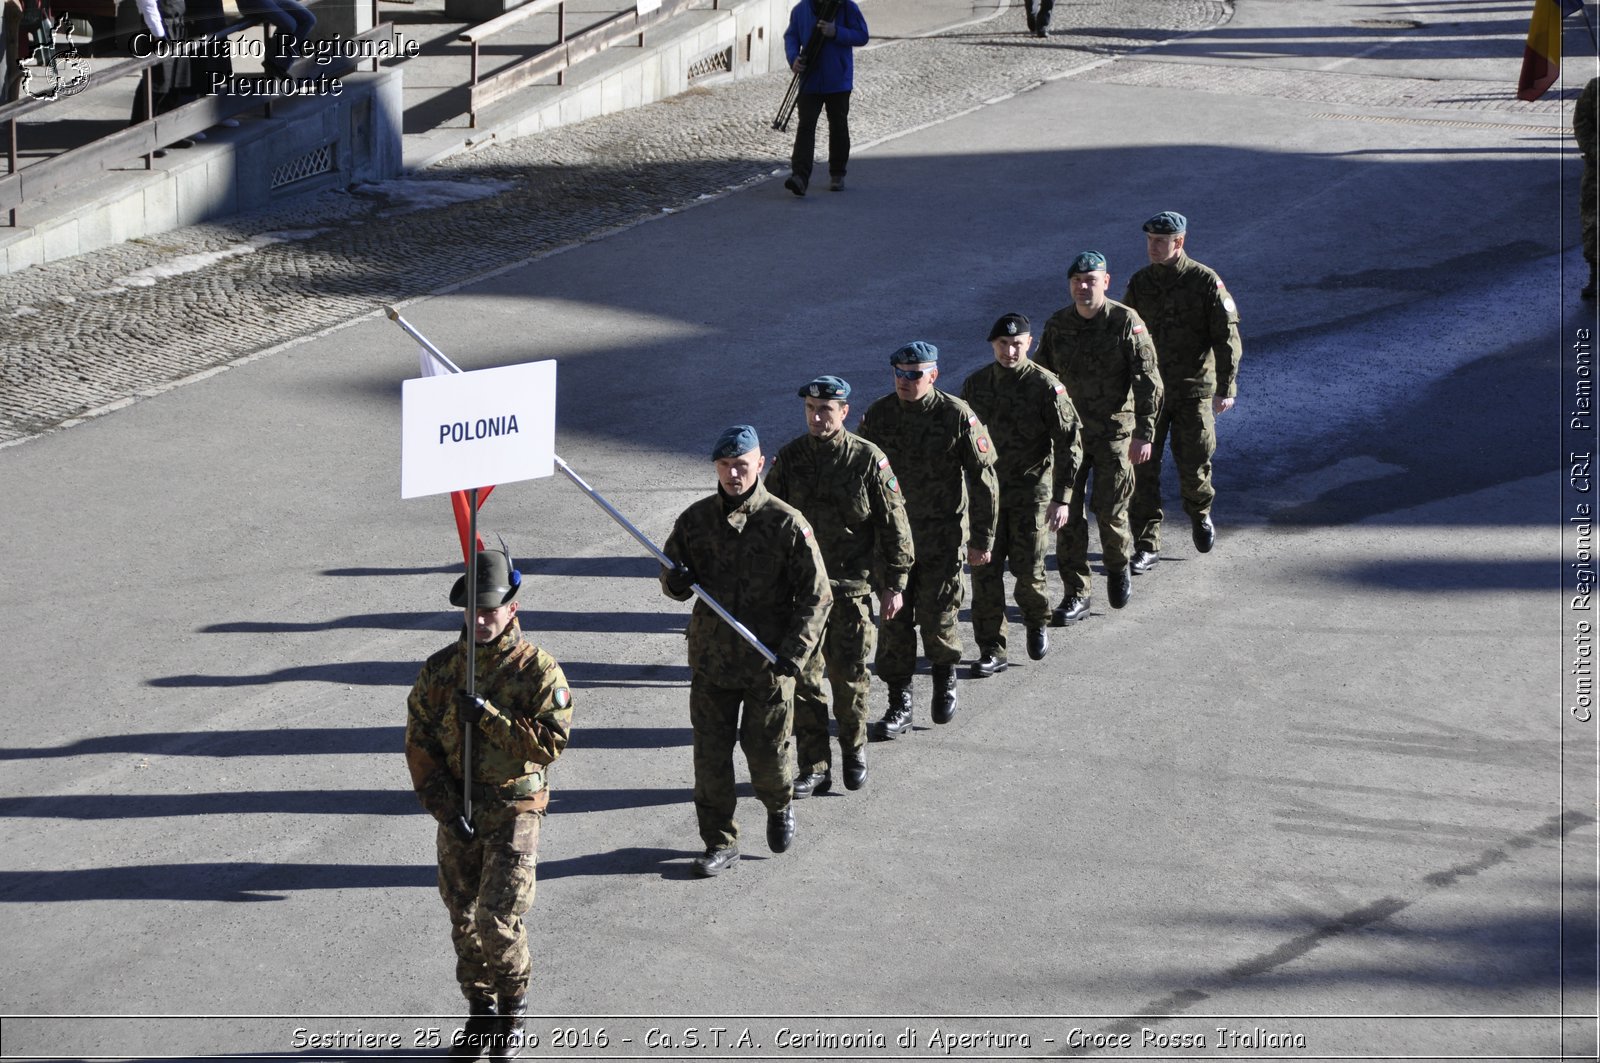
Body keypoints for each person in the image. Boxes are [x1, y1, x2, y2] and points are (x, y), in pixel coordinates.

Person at [404, 547, 574, 1061]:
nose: (480, 621)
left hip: (514, 808)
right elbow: (420, 744)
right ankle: (479, 1014)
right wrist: (442, 805)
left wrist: (491, 718)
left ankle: (513, 1009)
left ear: (512, 609)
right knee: (462, 915)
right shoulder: (441, 672)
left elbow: (549, 743)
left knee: (497, 918)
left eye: (490, 611)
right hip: (459, 807)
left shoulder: (538, 670)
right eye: (472, 612)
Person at [660, 425, 831, 877]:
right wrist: (674, 581)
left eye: (742, 464)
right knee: (710, 758)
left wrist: (794, 653)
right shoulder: (695, 520)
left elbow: (818, 596)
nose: (734, 474)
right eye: (725, 466)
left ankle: (778, 805)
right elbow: (673, 576)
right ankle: (720, 841)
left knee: (767, 754)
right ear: (716, 467)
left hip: (767, 663)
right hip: (713, 662)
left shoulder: (786, 522)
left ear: (760, 463)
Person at [766, 375, 914, 796]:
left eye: (826, 410)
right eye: (811, 409)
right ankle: (814, 765)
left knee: (848, 681)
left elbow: (894, 525)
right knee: (807, 684)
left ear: (844, 411)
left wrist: (895, 584)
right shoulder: (790, 459)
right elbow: (769, 519)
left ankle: (853, 749)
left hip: (850, 592)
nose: (817, 416)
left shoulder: (868, 460)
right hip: (803, 596)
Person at [858, 341, 999, 735]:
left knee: (938, 617)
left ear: (933, 375)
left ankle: (944, 677)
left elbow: (985, 481)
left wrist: (982, 539)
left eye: (915, 374)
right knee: (894, 623)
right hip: (892, 543)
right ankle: (899, 703)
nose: (905, 380)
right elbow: (861, 477)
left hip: (940, 538)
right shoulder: (879, 416)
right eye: (899, 373)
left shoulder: (956, 415)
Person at [1035, 251, 1162, 623]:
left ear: (1106, 282)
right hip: (1071, 438)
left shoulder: (1126, 322)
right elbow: (1044, 379)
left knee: (1109, 510)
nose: (1083, 287)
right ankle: (1077, 593)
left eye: (1090, 280)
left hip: (1114, 435)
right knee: (1067, 516)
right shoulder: (1059, 324)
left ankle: (1118, 565)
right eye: (1077, 281)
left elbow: (1148, 382)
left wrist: (1144, 433)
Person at [959, 313, 1083, 676]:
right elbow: (962, 442)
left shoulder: (1046, 386)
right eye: (1002, 344)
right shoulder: (976, 384)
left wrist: (1063, 498)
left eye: (1016, 344)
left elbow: (1069, 443)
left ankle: (1035, 621)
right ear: (992, 345)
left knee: (1029, 570)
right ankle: (991, 648)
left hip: (1032, 493)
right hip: (988, 496)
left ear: (1029, 343)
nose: (1009, 351)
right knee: (985, 574)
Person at [1121, 211, 1242, 571]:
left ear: (1180, 242)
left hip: (1193, 389)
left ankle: (1200, 512)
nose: (1154, 247)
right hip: (1150, 393)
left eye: (1161, 241)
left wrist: (1225, 387)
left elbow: (1227, 337)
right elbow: (1124, 335)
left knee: (1194, 462)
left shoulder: (1205, 281)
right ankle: (1146, 542)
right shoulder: (1141, 283)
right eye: (1150, 241)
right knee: (1142, 469)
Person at [782, 0, 868, 195]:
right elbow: (791, 37)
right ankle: (800, 177)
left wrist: (836, 32)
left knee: (838, 125)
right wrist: (793, 58)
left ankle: (837, 173)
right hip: (810, 79)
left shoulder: (846, 6)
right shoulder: (801, 9)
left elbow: (862, 35)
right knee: (806, 126)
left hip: (838, 79)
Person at [1578, 77, 1597, 300]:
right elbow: (1581, 123)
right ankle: (1595, 275)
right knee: (1593, 223)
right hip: (1596, 171)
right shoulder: (1594, 88)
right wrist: (1595, 150)